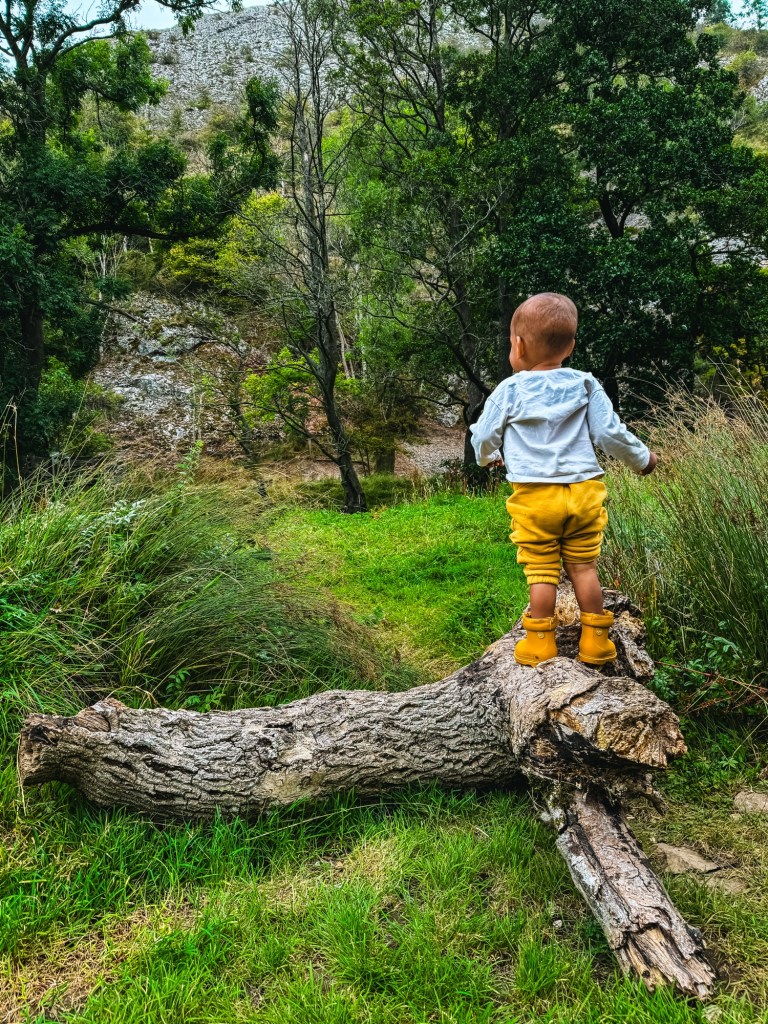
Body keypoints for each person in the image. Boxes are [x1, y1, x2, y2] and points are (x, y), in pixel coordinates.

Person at [470, 292, 657, 667]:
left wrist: (488, 457)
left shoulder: (510, 390)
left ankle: (540, 644)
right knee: (584, 568)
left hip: (536, 499)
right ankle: (596, 642)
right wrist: (643, 459)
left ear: (518, 345)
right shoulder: (585, 384)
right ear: (570, 347)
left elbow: (484, 435)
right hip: (585, 493)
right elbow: (610, 434)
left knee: (542, 572)